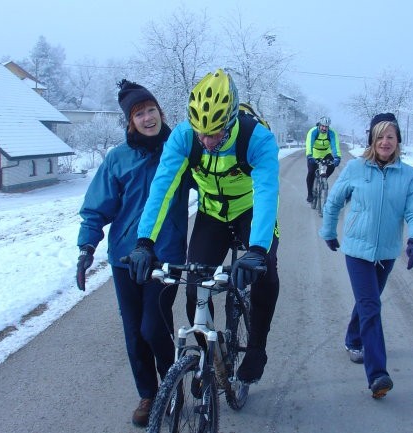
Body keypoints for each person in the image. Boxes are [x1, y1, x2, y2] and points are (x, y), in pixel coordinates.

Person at [127, 68, 280, 385]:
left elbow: (267, 195)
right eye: (201, 133)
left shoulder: (257, 139)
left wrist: (257, 251)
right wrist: (144, 241)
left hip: (249, 210)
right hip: (212, 214)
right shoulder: (185, 137)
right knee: (195, 285)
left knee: (266, 272)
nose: (206, 141)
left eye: (214, 134)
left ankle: (257, 348)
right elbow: (162, 189)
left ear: (231, 120)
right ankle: (209, 363)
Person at [75, 79, 191, 427]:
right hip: (124, 258)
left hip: (166, 254)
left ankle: (172, 385)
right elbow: (97, 208)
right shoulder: (118, 159)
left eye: (151, 110)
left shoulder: (181, 149)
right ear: (130, 120)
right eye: (139, 113)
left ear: (160, 112)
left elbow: (214, 184)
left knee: (153, 326)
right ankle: (149, 394)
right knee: (133, 331)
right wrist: (86, 247)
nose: (147, 118)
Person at [318, 112, 413, 399]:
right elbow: (334, 201)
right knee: (371, 306)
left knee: (369, 302)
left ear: (398, 140)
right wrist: (328, 231)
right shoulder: (355, 168)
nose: (385, 141)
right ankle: (378, 373)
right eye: (380, 136)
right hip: (356, 250)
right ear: (372, 140)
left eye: (391, 136)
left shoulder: (408, 175)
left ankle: (354, 338)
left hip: (387, 252)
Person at [305, 116, 341, 202]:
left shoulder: (332, 133)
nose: (324, 128)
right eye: (323, 126)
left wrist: (337, 157)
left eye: (326, 127)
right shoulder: (313, 131)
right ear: (319, 125)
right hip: (314, 153)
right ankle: (310, 194)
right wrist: (309, 155)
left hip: (326, 153)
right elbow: (309, 144)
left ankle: (323, 180)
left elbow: (335, 145)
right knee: (311, 173)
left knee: (332, 166)